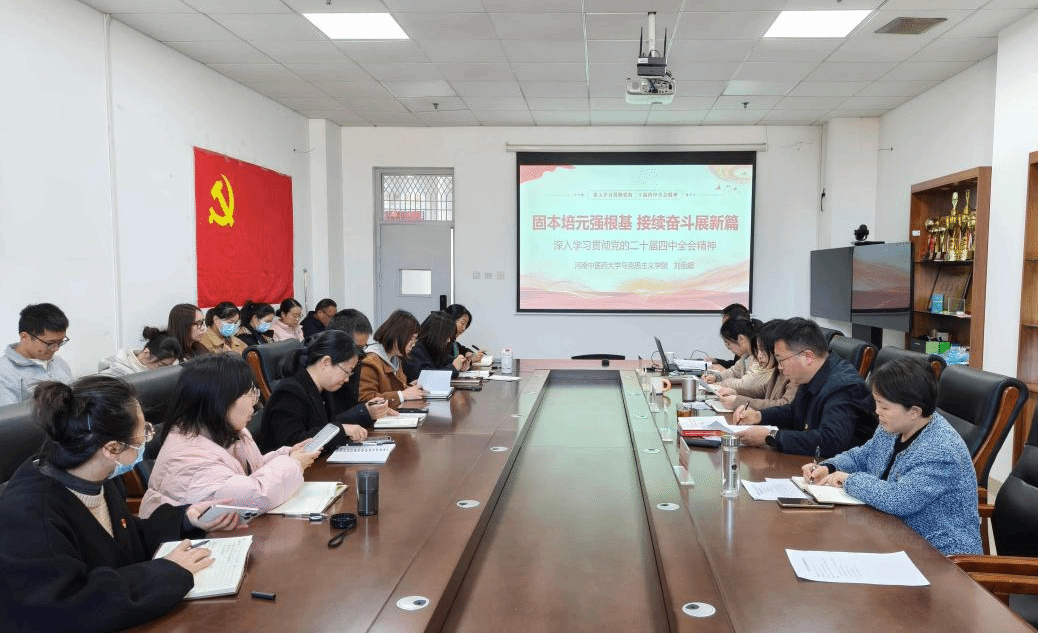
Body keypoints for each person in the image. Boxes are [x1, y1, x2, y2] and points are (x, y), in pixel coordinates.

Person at [0, 376, 240, 632]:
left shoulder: (99, 477)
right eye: (143, 433)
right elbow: (68, 608)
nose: (147, 439)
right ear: (112, 449)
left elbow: (123, 541)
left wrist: (185, 519)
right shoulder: (29, 515)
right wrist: (168, 571)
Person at [802, 357, 982, 556]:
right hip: (893, 535)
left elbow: (899, 499)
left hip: (940, 555)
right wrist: (829, 467)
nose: (877, 411)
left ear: (914, 411)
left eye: (884, 407)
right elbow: (864, 455)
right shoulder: (894, 426)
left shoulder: (942, 451)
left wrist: (848, 480)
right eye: (877, 403)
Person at [139, 355, 319, 517]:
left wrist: (287, 454)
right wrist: (293, 463)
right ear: (221, 400)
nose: (255, 403)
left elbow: (250, 471)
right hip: (194, 538)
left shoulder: (228, 430)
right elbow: (256, 497)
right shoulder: (188, 458)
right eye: (250, 394)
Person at [734, 317, 877, 457]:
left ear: (808, 357)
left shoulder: (843, 386)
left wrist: (771, 436)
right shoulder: (812, 374)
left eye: (781, 360)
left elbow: (830, 441)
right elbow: (794, 412)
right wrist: (759, 416)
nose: (780, 367)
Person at [259, 331, 375, 452]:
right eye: (346, 372)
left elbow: (327, 425)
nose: (347, 379)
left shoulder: (323, 390)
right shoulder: (288, 393)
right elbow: (292, 443)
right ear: (325, 362)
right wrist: (342, 430)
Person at [711, 319, 797, 411]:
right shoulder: (778, 370)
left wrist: (738, 401)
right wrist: (735, 392)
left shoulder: (794, 373)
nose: (759, 356)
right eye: (758, 350)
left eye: (762, 350)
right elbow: (762, 391)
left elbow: (784, 405)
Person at [324, 309, 388, 426]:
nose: (360, 355)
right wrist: (364, 412)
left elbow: (350, 406)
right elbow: (325, 425)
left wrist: (371, 408)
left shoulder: (354, 364)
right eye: (357, 348)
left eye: (363, 348)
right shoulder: (324, 372)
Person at [1, 303, 73, 406]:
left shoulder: (59, 362)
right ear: (24, 337)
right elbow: (8, 415)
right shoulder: (4, 373)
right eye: (50, 343)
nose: (56, 349)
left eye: (60, 342)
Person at [359, 309, 427, 408]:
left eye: (415, 340)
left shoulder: (395, 359)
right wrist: (402, 395)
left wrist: (410, 387)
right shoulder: (370, 361)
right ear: (397, 336)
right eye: (411, 339)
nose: (413, 344)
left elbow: (392, 390)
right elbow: (366, 399)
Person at [701, 318, 766, 394]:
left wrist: (720, 384)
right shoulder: (746, 356)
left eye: (728, 343)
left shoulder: (760, 357)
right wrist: (716, 377)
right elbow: (733, 372)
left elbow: (746, 384)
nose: (728, 348)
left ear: (741, 339)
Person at [404, 311, 469, 382]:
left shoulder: (433, 348)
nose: (448, 340)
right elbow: (425, 378)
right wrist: (453, 368)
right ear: (436, 334)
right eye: (447, 336)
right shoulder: (415, 350)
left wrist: (460, 363)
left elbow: (445, 360)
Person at [98, 327, 182, 377]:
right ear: (146, 353)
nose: (164, 371)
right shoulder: (114, 373)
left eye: (168, 367)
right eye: (160, 366)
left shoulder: (157, 372)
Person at [705, 303, 751, 370]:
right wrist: (717, 361)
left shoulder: (756, 351)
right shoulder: (744, 342)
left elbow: (747, 376)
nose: (728, 347)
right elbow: (736, 366)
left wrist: (723, 371)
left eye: (728, 343)